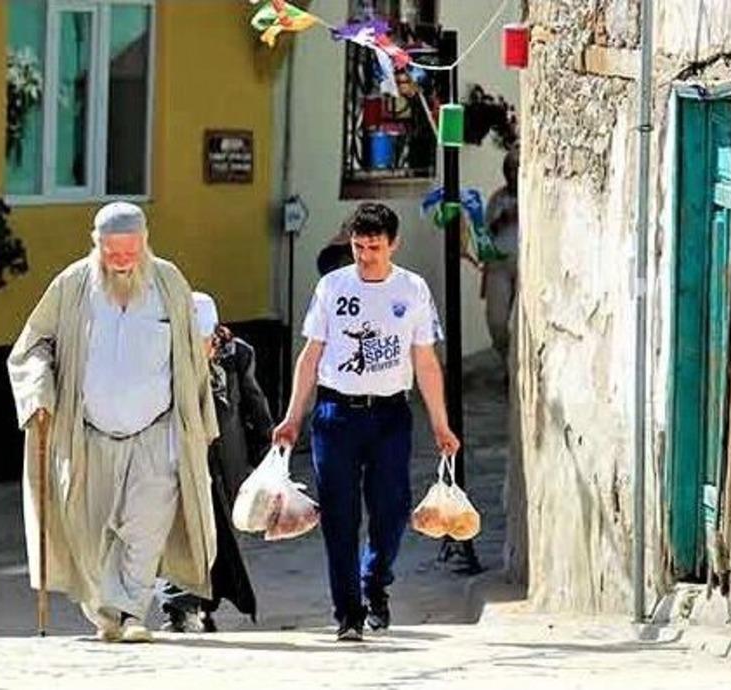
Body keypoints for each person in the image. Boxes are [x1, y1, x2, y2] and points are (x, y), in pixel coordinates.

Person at [7, 202, 218, 644]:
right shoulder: (72, 285)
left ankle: (132, 611)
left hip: (158, 431)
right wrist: (38, 392)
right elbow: (33, 345)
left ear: (145, 243)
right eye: (111, 250)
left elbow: (191, 358)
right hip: (87, 435)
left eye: (130, 249)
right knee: (88, 531)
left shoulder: (168, 282)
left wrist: (199, 420)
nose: (121, 259)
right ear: (96, 245)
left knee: (146, 526)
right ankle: (106, 611)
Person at [273, 202, 461, 642]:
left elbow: (426, 361)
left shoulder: (412, 289)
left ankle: (374, 578)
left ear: (393, 244)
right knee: (339, 515)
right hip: (335, 414)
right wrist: (291, 417)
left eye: (374, 247)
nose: (366, 256)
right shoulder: (332, 287)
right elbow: (311, 355)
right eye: (358, 246)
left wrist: (440, 423)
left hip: (390, 414)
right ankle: (348, 614)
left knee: (392, 509)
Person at [159, 292, 272, 632]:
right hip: (180, 460)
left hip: (224, 462)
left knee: (216, 538)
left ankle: (204, 603)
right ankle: (179, 606)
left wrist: (267, 456)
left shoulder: (237, 355)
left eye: (203, 339)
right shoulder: (165, 358)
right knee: (181, 532)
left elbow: (255, 406)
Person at [482, 147, 519, 370]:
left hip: (525, 268)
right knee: (496, 322)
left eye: (516, 168)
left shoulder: (532, 197)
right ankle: (508, 361)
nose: (513, 173)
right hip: (499, 267)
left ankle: (515, 369)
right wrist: (503, 220)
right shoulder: (497, 199)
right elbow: (486, 235)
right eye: (509, 169)